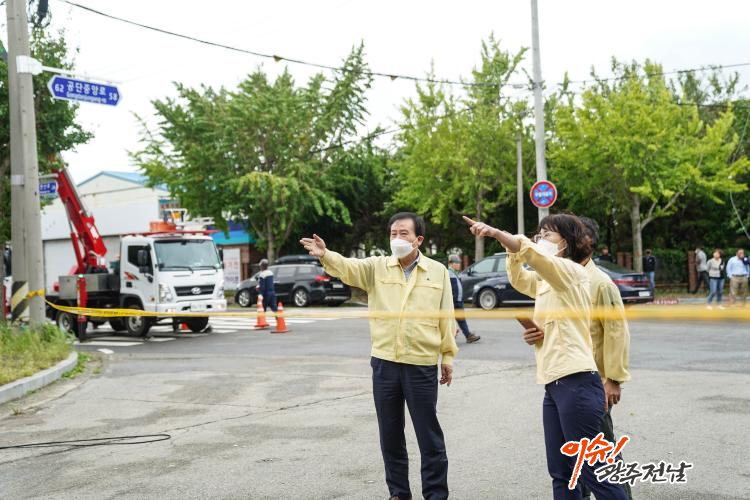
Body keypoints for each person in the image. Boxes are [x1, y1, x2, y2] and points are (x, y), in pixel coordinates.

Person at [463, 214, 628, 500]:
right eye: (538, 235)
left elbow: (617, 332)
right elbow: (520, 278)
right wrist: (537, 333)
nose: (540, 240)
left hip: (579, 381)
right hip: (554, 383)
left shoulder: (573, 273)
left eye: (547, 235)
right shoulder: (549, 281)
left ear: (568, 242)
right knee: (562, 472)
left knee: (595, 471)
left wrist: (499, 234)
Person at [301, 212, 458, 500]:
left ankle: (436, 494)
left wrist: (447, 357)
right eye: (393, 233)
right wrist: (326, 255)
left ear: (418, 239)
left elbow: (446, 316)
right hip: (385, 362)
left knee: (429, 436)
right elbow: (348, 268)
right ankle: (398, 493)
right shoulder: (377, 267)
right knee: (390, 435)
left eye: (403, 233)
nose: (397, 238)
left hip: (421, 364)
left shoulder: (438, 272)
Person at [578, 217, 633, 500]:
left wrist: (613, 379)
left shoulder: (601, 284)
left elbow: (616, 332)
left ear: (584, 243)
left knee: (603, 451)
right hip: (567, 379)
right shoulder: (564, 279)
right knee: (577, 454)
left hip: (593, 382)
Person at [447, 254, 480, 344]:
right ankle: (461, 335)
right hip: (453, 301)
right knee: (452, 319)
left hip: (458, 300)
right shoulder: (448, 273)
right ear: (451, 264)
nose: (459, 264)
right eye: (457, 263)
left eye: (459, 263)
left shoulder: (456, 273)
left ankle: (467, 335)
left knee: (460, 319)